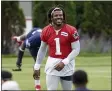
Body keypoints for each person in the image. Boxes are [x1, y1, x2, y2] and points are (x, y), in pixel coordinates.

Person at [33, 6, 80, 90]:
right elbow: (42, 49)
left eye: (60, 15)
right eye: (56, 15)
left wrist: (64, 62)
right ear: (51, 18)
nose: (59, 17)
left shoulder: (71, 30)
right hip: (52, 64)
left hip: (67, 65)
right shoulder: (46, 30)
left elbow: (76, 49)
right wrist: (37, 66)